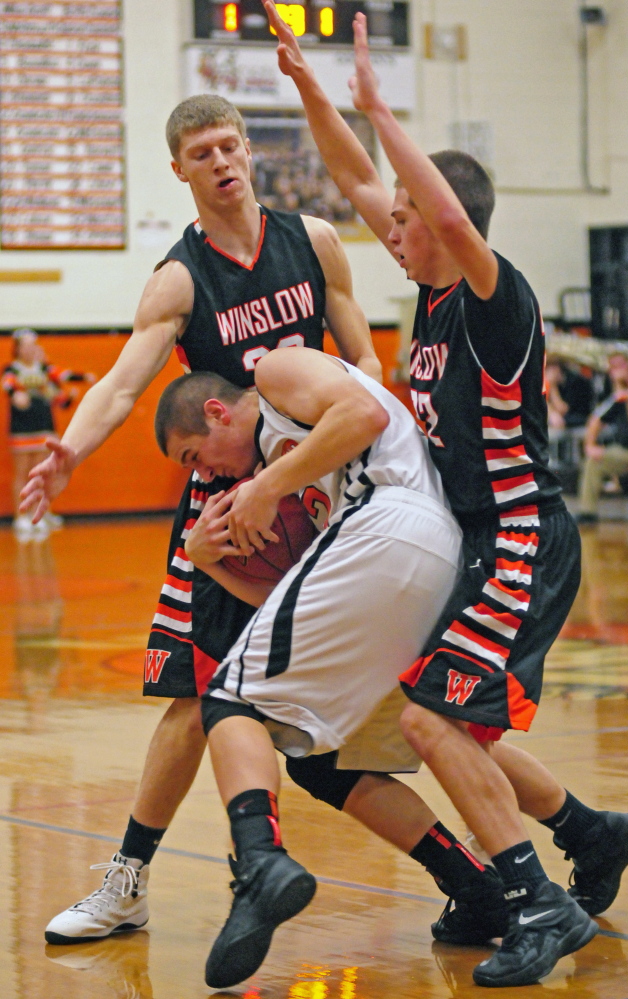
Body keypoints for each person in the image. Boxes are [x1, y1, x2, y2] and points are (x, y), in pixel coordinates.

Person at [22, 95, 502, 949]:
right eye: (201, 152)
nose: (220, 161)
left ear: (249, 151)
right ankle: (131, 881)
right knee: (197, 697)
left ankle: (528, 847)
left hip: (328, 500)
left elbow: (361, 358)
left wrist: (352, 435)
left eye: (229, 145)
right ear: (179, 171)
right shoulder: (180, 276)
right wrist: (71, 449)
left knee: (390, 710)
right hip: (233, 504)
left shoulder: (311, 239)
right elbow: (126, 382)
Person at [261, 2, 628, 986]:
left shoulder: (493, 296)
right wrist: (310, 89)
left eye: (405, 220)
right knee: (422, 713)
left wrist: (385, 109)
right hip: (464, 541)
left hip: (520, 536)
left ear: (448, 224)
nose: (387, 231)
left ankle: (536, 902)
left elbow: (420, 197)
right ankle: (588, 833)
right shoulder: (425, 295)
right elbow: (352, 177)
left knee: (438, 722)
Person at [154, 349, 465, 989]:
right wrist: (204, 558)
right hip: (410, 564)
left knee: (230, 701)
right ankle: (494, 879)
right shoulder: (299, 466)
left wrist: (264, 488)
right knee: (330, 758)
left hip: (391, 527)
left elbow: (365, 411)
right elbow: (286, 600)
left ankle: (262, 862)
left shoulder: (274, 375)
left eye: (195, 455)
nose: (204, 472)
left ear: (217, 412)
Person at [2, 328, 95, 541]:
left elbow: (61, 379)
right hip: (22, 429)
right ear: (17, 348)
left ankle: (40, 513)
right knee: (22, 472)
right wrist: (16, 394)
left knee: (44, 471)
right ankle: (21, 516)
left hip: (45, 427)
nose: (31, 348)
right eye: (26, 344)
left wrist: (82, 379)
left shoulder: (44, 369)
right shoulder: (12, 370)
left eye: (33, 343)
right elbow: (7, 385)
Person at [577, 359, 628, 524]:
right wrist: (590, 445)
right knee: (594, 460)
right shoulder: (621, 398)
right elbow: (595, 420)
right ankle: (587, 513)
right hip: (626, 454)